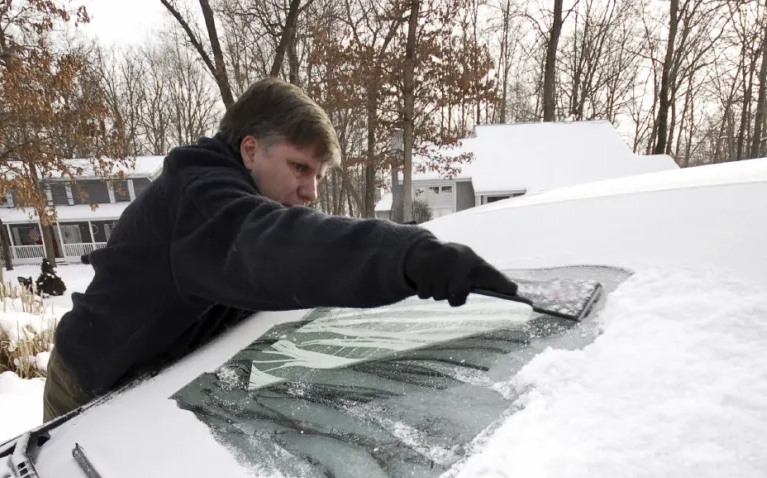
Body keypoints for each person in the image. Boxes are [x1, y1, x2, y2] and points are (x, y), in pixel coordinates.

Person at [43, 77, 517, 420]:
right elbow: (277, 247)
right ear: (251, 150)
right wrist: (407, 256)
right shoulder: (203, 202)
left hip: (149, 381)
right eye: (299, 168)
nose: (311, 191)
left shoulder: (220, 196)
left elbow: (291, 261)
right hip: (91, 389)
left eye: (318, 175)